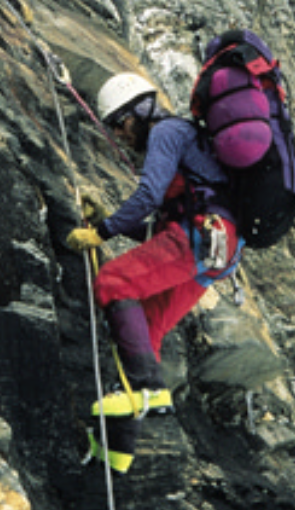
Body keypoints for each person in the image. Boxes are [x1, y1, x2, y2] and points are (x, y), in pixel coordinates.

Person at [66, 72, 244, 473]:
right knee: (147, 325)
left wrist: (100, 233)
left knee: (113, 281)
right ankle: (118, 453)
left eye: (120, 124)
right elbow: (157, 227)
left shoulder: (167, 132)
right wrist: (110, 220)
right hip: (217, 246)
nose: (120, 134)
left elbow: (148, 198)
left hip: (201, 235)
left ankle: (148, 389)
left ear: (140, 111)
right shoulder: (186, 140)